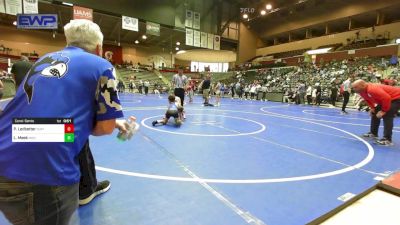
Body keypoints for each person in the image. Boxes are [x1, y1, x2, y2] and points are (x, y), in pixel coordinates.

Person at [0, 19, 127, 225]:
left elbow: (37, 123)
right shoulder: (102, 65)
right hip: (42, 171)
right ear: (99, 47)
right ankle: (86, 191)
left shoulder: (43, 61)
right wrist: (111, 124)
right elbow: (105, 128)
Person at [352, 79, 400, 146]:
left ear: (363, 85)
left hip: (396, 98)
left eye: (355, 87)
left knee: (387, 114)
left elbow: (387, 98)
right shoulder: (361, 91)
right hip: (387, 98)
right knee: (374, 113)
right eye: (353, 87)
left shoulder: (372, 89)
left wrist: (383, 111)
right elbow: (367, 99)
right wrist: (372, 108)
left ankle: (387, 139)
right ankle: (373, 133)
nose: (354, 89)